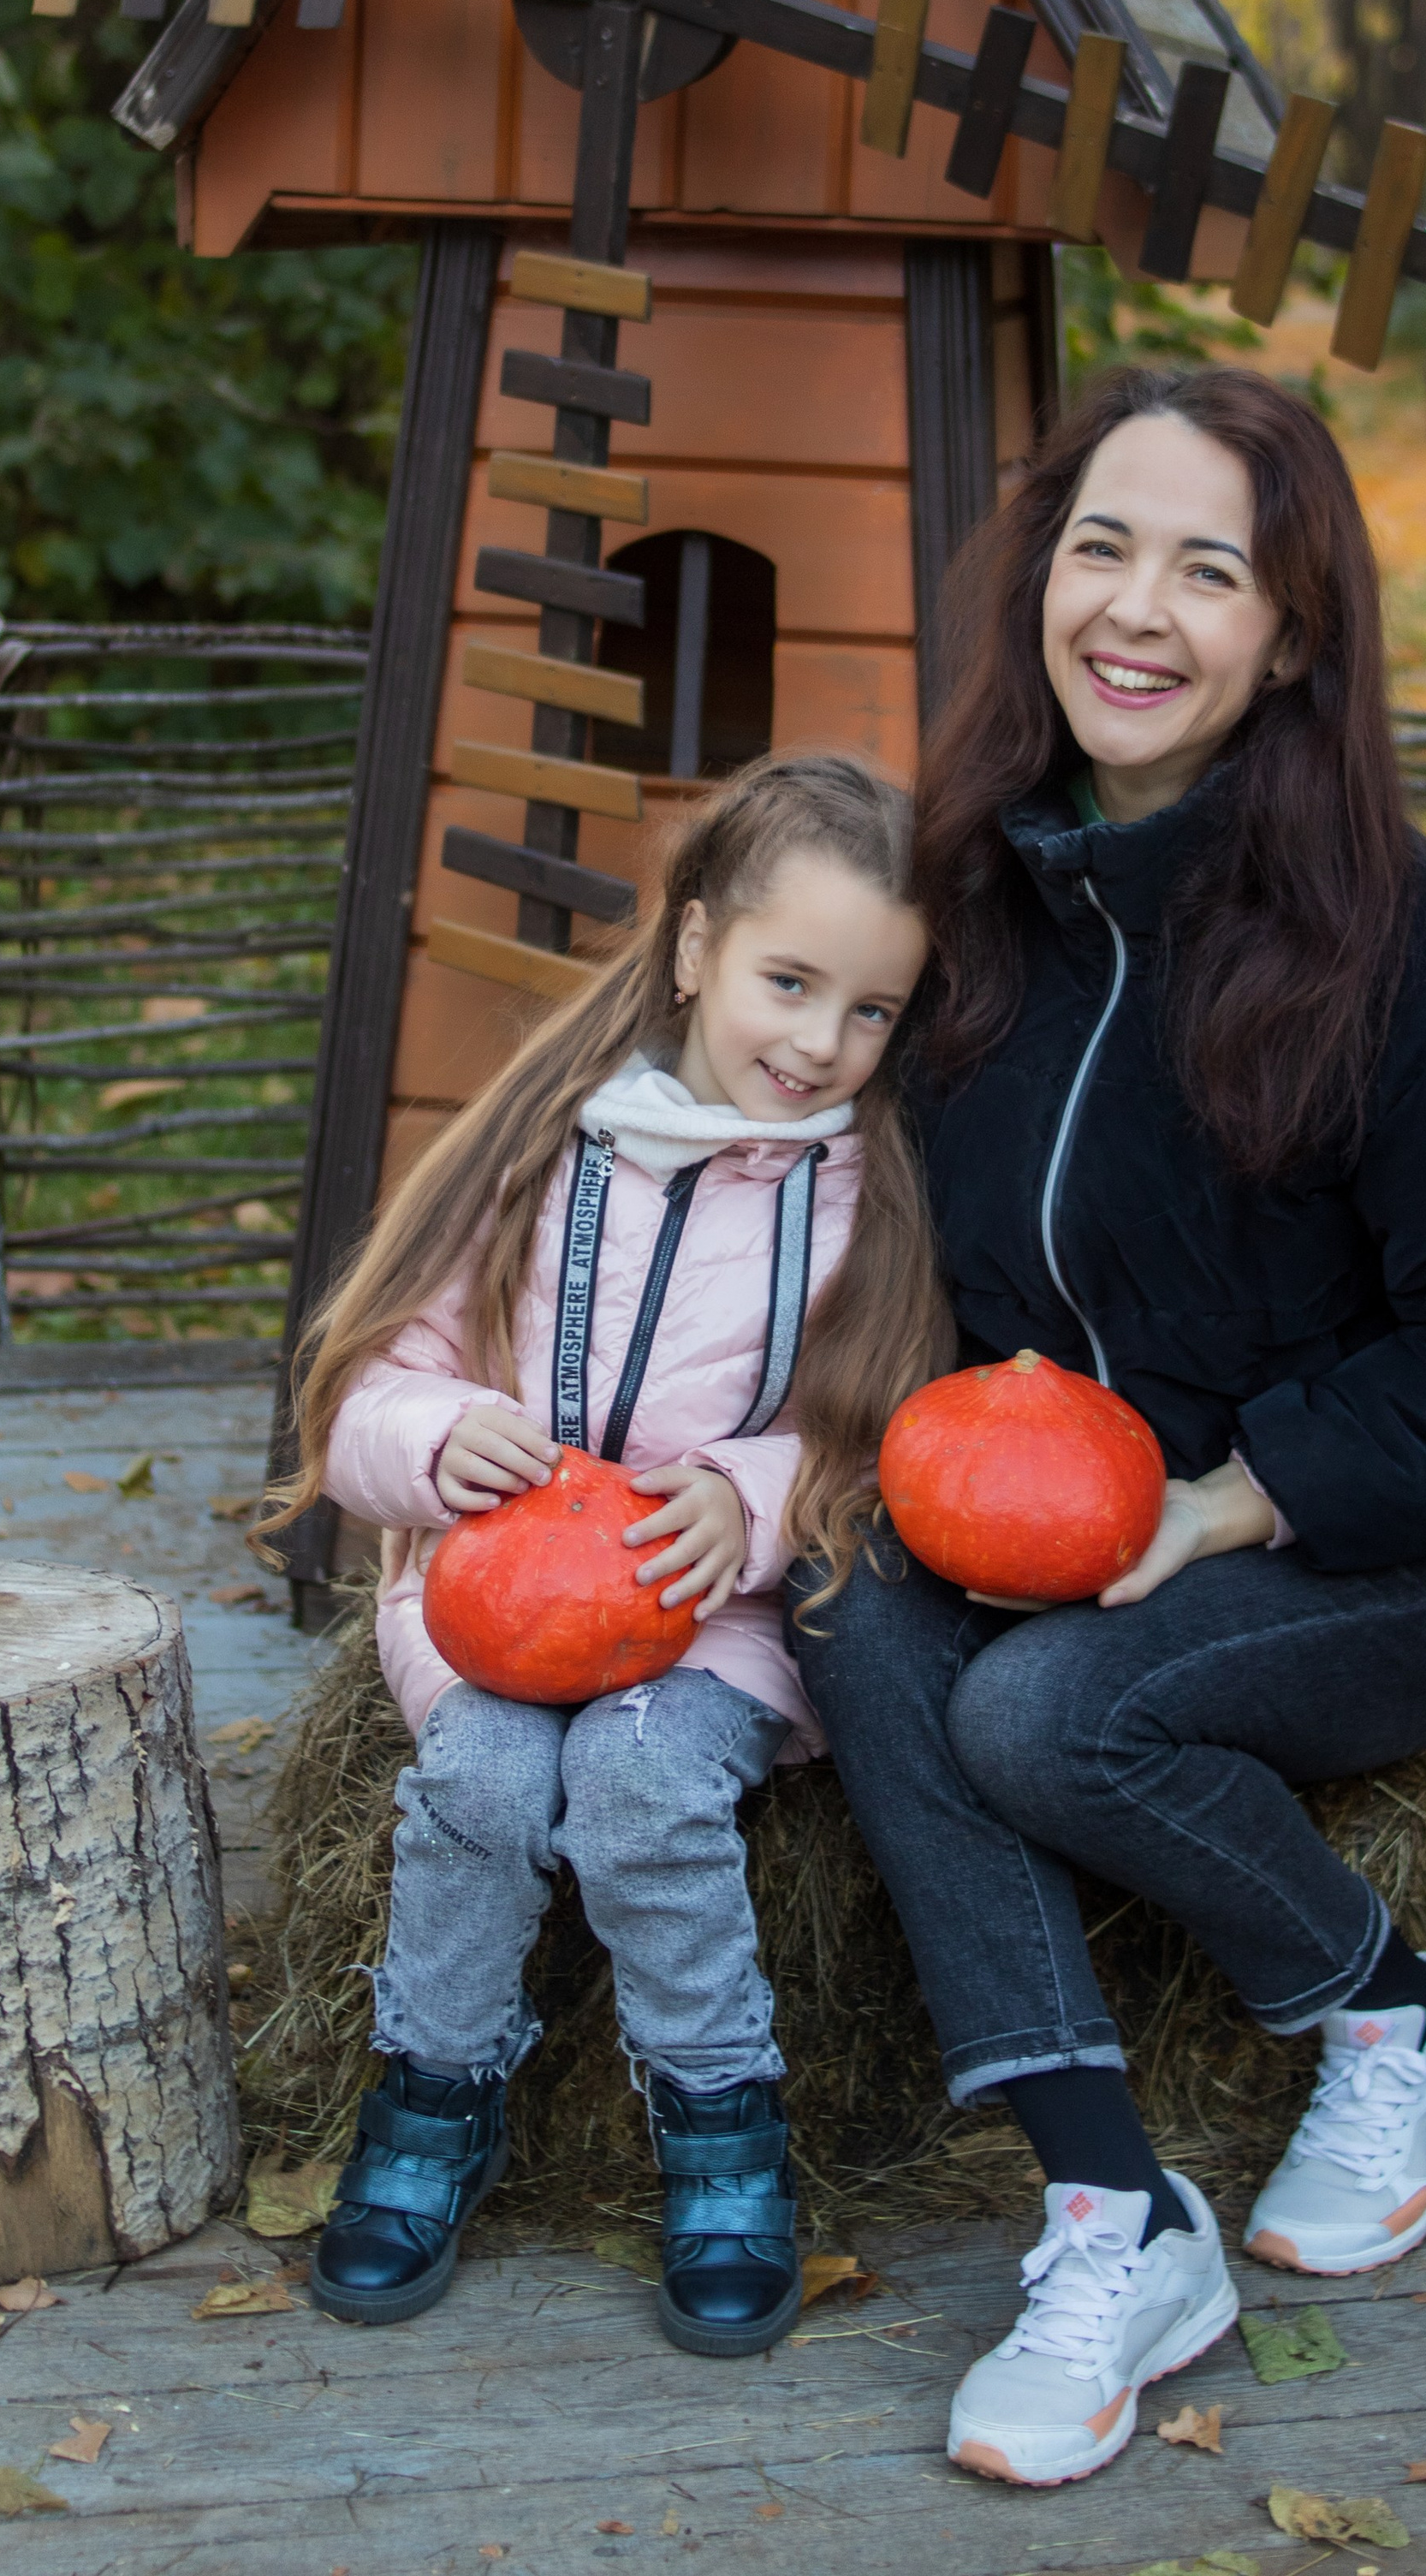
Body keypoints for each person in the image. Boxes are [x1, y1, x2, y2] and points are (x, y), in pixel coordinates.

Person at [788, 366, 1426, 2491]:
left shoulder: (1420, 959)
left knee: (1046, 1718)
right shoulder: (975, 908)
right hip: (1077, 1500)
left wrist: (1234, 1497)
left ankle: (1388, 2011)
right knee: (858, 1623)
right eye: (1099, 544)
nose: (1135, 608)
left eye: (1208, 566)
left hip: (1396, 1535)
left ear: (1291, 634)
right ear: (1036, 578)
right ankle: (1115, 2207)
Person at [275, 753, 947, 2354]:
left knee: (643, 1789)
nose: (818, 1042)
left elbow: (895, 1440)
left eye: (868, 1011)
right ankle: (435, 2092)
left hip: (716, 1622)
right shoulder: (545, 1146)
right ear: (699, 945)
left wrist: (757, 1495)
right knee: (490, 1789)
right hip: (493, 1597)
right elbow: (374, 1372)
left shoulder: (872, 1199)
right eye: (790, 981)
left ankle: (722, 2128)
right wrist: (436, 1438)